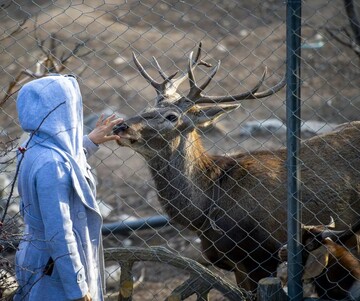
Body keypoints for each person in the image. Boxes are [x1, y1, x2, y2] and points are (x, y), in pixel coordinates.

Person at [14, 74, 122, 301]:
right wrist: (78, 289)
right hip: (57, 268)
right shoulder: (53, 165)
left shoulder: (30, 146)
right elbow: (59, 233)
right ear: (61, 110)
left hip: (37, 255)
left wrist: (89, 141)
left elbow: (63, 164)